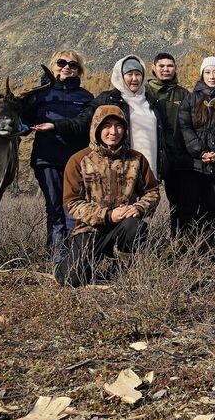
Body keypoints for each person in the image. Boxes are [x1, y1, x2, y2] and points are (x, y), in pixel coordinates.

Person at [61, 106, 160, 286]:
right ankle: (65, 264)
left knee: (135, 227)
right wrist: (107, 215)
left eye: (118, 126)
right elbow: (72, 202)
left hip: (124, 225)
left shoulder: (136, 159)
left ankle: (120, 269)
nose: (113, 132)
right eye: (107, 126)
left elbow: (152, 191)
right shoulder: (79, 160)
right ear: (96, 128)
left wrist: (138, 208)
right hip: (90, 228)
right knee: (72, 279)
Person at [24, 49, 94, 270]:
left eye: (73, 65)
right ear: (52, 65)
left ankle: (74, 258)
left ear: (79, 70)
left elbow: (85, 125)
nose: (67, 67)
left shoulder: (85, 97)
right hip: (47, 159)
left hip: (76, 162)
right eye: (61, 63)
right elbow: (24, 123)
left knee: (72, 208)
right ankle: (56, 257)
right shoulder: (39, 95)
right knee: (54, 208)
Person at [56, 54, 170, 181]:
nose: (134, 78)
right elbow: (84, 120)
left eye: (138, 74)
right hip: (120, 169)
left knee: (149, 199)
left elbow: (165, 133)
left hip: (150, 168)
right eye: (129, 74)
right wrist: (56, 126)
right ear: (120, 75)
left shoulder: (153, 102)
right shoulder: (107, 99)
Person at [179, 57, 215, 235]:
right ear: (202, 74)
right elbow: (184, 127)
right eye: (208, 72)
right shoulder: (190, 99)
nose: (212, 76)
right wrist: (201, 151)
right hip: (195, 167)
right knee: (193, 209)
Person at [146, 52, 192, 237]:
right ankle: (141, 241)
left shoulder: (183, 94)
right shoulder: (144, 91)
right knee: (146, 201)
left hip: (178, 156)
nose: (166, 69)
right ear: (154, 68)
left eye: (170, 66)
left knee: (179, 202)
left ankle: (177, 240)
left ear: (175, 68)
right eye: (162, 66)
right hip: (151, 155)